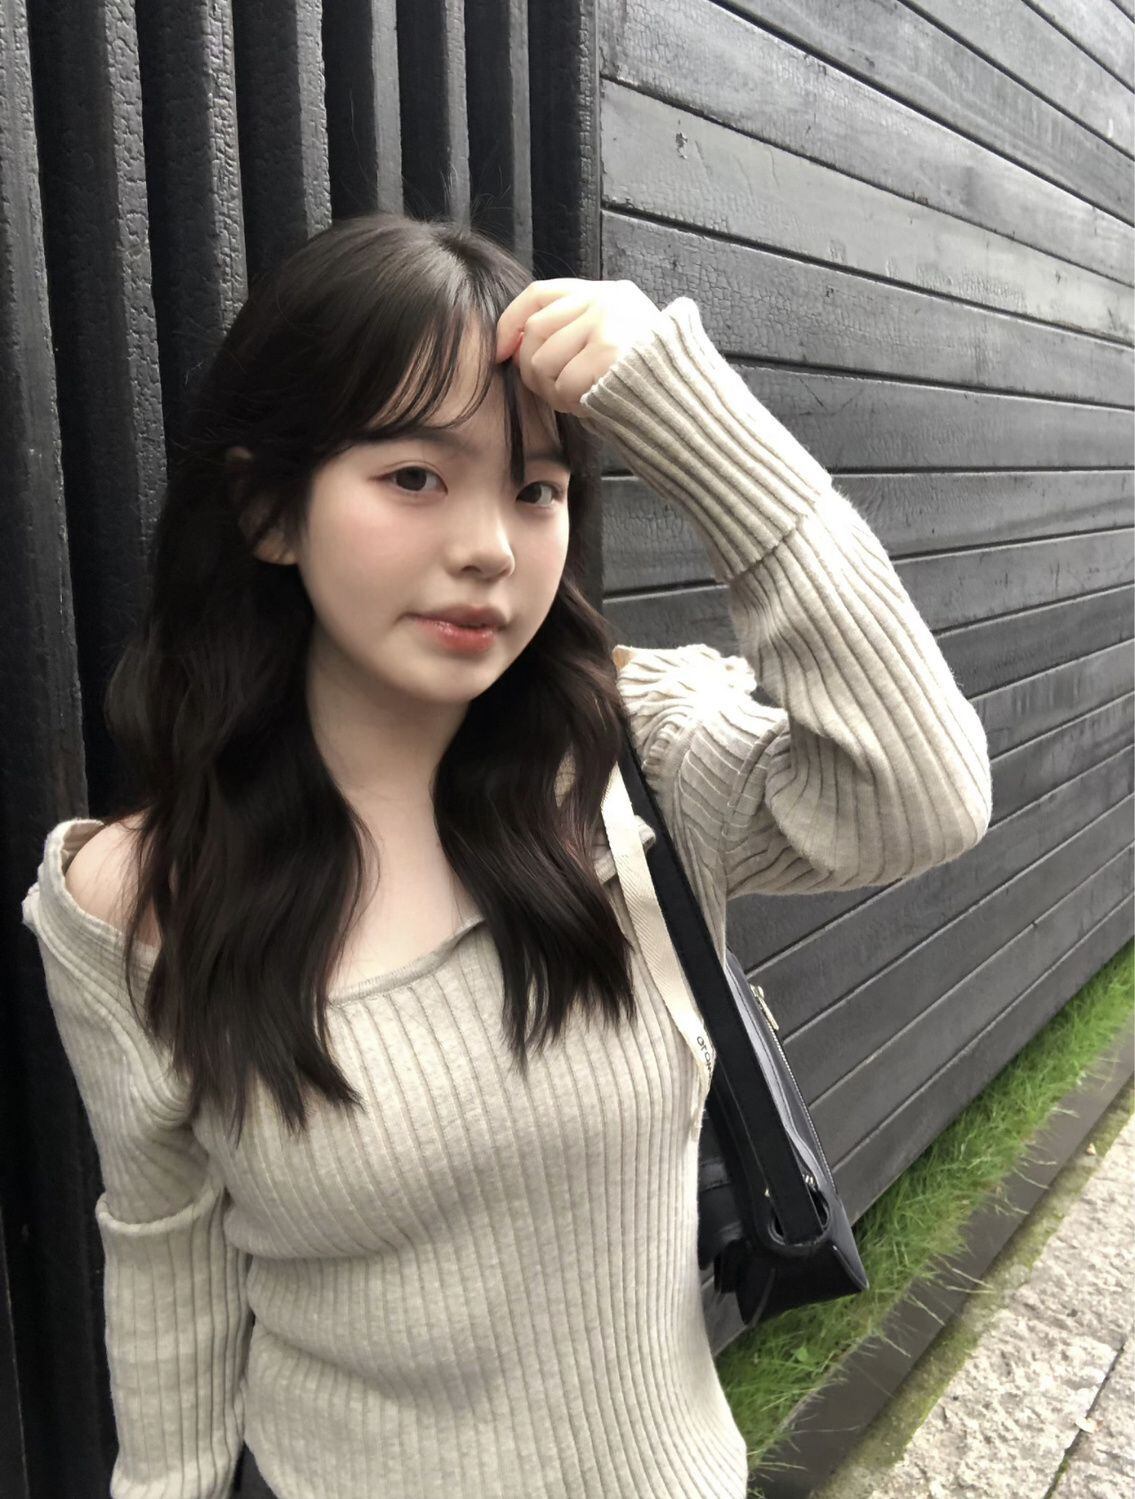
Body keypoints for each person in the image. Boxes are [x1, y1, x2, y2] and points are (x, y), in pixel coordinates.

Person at [20, 210, 993, 1499]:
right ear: (268, 510)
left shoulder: (635, 764)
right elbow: (167, 1269)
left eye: (536, 490)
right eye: (415, 477)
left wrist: (702, 424)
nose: (489, 547)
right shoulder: (136, 902)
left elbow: (924, 798)